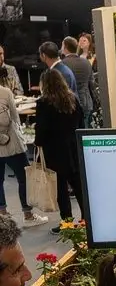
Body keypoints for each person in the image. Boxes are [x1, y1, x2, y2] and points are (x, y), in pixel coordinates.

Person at [33, 67, 84, 227]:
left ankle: (67, 223)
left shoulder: (43, 103)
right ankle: (87, 219)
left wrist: (37, 140)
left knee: (61, 189)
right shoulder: (73, 99)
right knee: (78, 186)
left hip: (54, 153)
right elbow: (81, 123)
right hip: (73, 150)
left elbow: (41, 131)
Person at [0, 83, 47, 227]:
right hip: (11, 144)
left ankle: (2, 216)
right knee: (24, 178)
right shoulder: (5, 92)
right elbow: (15, 118)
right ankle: (28, 215)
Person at [60, 37, 97, 126]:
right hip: (86, 103)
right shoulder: (86, 62)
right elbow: (92, 84)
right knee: (85, 134)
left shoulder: (62, 65)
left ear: (65, 48)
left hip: (70, 105)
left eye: (62, 46)